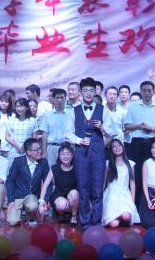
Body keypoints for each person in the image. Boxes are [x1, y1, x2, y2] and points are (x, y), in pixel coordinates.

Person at [66, 77, 110, 226]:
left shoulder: (103, 109)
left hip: (98, 152)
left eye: (91, 90)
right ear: (80, 92)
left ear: (96, 92)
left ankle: (97, 222)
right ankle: (85, 222)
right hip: (81, 152)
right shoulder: (74, 110)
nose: (89, 93)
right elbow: (67, 133)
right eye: (85, 90)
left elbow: (113, 132)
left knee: (97, 188)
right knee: (83, 188)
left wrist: (102, 127)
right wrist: (79, 140)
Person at [124, 80, 155, 197]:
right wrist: (139, 126)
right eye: (144, 90)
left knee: (151, 172)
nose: (147, 93)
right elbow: (127, 125)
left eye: (149, 90)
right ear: (140, 91)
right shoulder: (133, 106)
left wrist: (151, 128)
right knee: (136, 172)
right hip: (136, 143)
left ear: (153, 92)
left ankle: (150, 200)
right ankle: (136, 201)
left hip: (153, 143)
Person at [4, 138, 50, 226]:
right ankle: (22, 212)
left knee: (32, 206)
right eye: (36, 149)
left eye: (40, 148)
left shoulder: (43, 162)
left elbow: (48, 184)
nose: (40, 151)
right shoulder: (18, 161)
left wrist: (45, 200)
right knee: (12, 221)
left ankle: (31, 216)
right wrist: (11, 200)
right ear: (28, 152)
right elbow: (10, 181)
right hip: (18, 196)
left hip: (33, 196)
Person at [102, 138, 139, 227]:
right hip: (111, 195)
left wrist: (133, 201)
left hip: (124, 195)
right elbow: (103, 182)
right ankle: (117, 218)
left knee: (126, 216)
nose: (117, 148)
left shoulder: (130, 163)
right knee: (114, 224)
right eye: (114, 146)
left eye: (119, 145)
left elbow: (132, 183)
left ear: (123, 147)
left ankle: (122, 217)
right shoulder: (108, 164)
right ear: (111, 149)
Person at [40, 143, 79, 224]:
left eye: (68, 154)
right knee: (61, 205)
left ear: (72, 155)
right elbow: (45, 185)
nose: (65, 156)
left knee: (74, 193)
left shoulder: (77, 168)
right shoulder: (55, 168)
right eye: (63, 154)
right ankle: (63, 214)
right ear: (59, 156)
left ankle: (73, 216)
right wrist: (41, 201)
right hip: (59, 195)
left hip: (73, 197)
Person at [34, 88, 71, 169]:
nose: (59, 100)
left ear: (65, 99)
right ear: (53, 99)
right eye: (57, 98)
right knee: (51, 171)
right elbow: (45, 133)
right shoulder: (47, 115)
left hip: (67, 148)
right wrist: (44, 151)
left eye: (62, 98)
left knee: (66, 171)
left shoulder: (71, 114)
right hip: (51, 147)